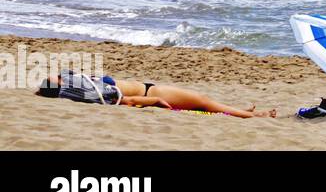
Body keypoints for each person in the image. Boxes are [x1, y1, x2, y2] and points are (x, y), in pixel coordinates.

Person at [36, 71, 276, 118]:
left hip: (150, 88)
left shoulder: (82, 85)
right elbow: (126, 101)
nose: (59, 76)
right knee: (205, 102)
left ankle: (243, 112)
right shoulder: (91, 92)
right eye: (56, 79)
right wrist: (155, 101)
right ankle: (252, 116)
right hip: (152, 92)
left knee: (203, 101)